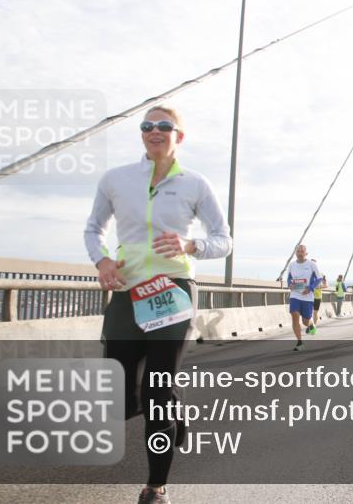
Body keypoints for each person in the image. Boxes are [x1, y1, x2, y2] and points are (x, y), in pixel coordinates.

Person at [85, 105, 231, 504]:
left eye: (165, 126)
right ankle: (172, 408)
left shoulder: (195, 184)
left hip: (173, 291)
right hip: (129, 292)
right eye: (147, 126)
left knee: (156, 390)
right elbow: (93, 229)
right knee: (117, 397)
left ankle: (155, 487)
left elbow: (223, 239)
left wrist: (190, 245)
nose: (155, 131)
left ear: (179, 137)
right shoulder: (116, 179)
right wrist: (101, 261)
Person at [287, 244, 321, 350]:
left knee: (305, 322)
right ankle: (299, 342)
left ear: (306, 253)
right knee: (294, 314)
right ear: (295, 253)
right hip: (295, 295)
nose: (300, 253)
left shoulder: (311, 264)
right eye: (298, 251)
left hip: (307, 297)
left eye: (302, 251)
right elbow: (289, 278)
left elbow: (319, 279)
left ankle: (311, 324)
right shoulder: (292, 265)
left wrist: (310, 288)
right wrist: (290, 285)